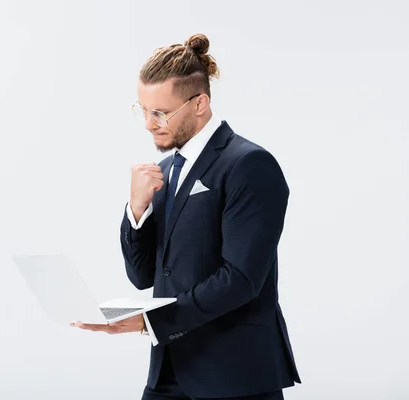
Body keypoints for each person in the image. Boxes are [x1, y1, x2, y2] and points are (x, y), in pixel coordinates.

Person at [72, 33, 301, 400]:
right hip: (167, 373)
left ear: (200, 103)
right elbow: (143, 276)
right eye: (143, 110)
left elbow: (241, 278)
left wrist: (151, 321)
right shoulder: (167, 170)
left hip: (235, 376)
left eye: (160, 112)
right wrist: (136, 209)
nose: (149, 123)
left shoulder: (249, 164)